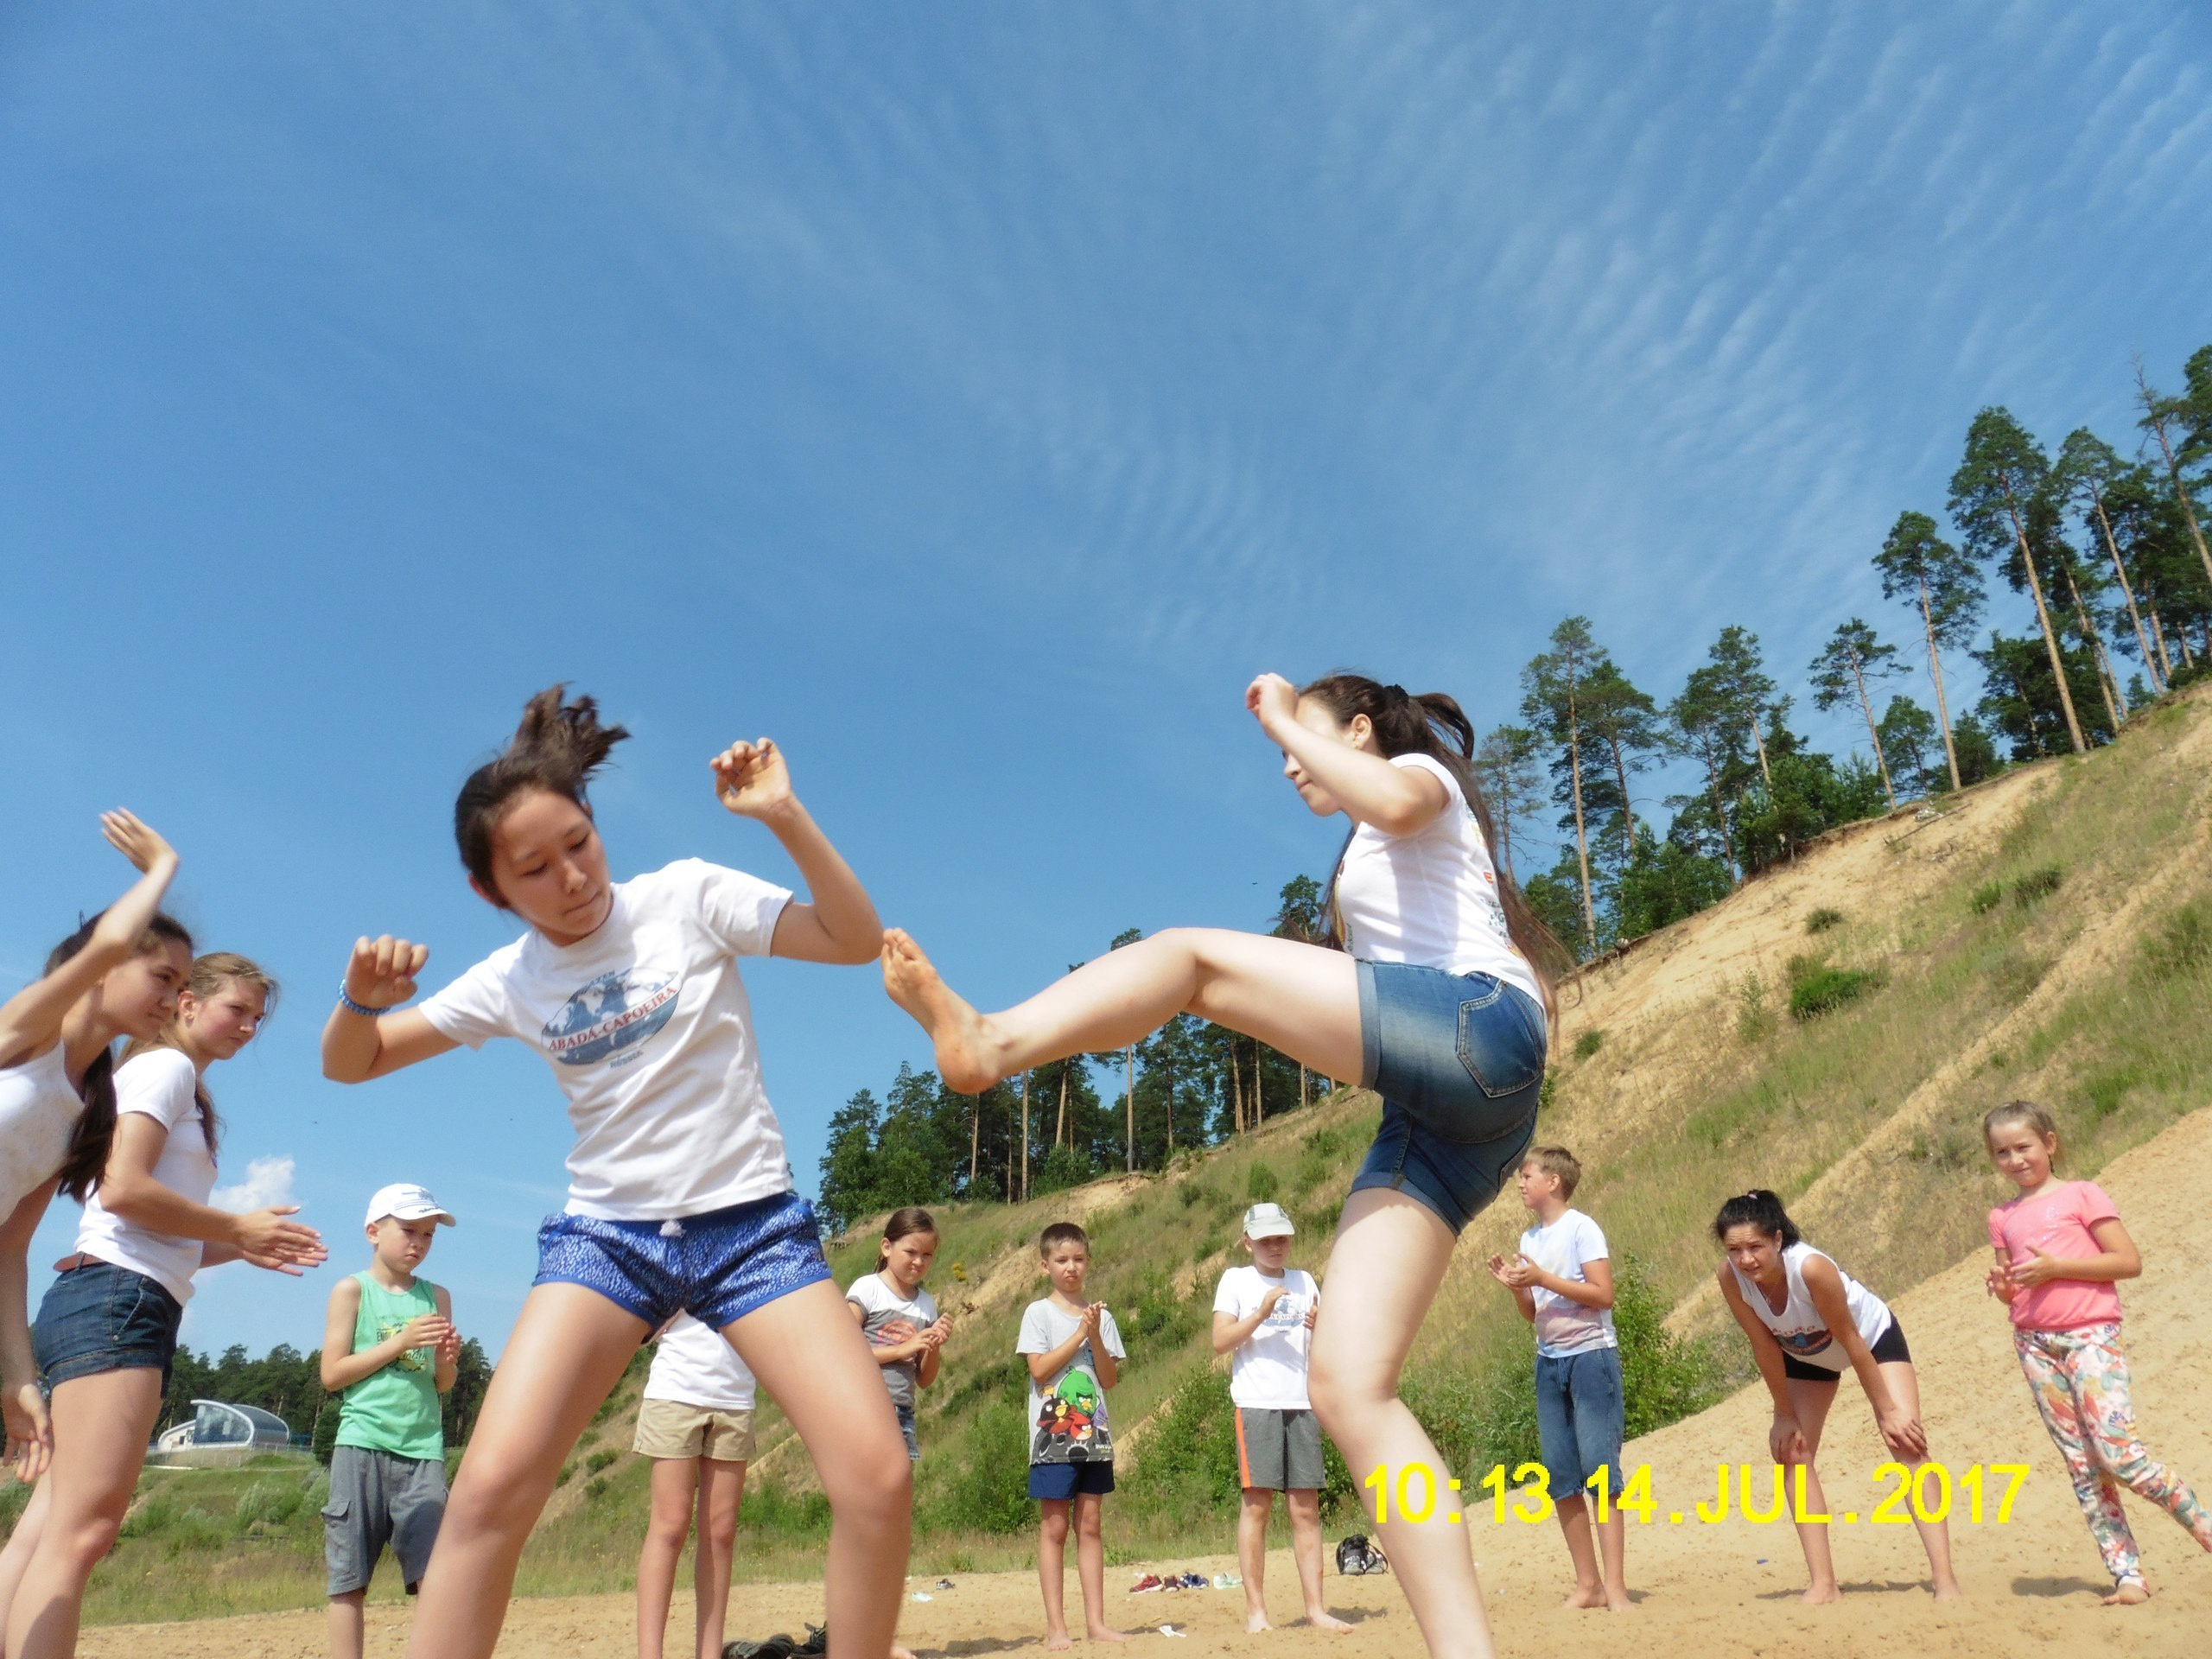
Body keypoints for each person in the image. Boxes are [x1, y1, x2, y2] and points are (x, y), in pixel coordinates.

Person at [884, 672, 1556, 1659]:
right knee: (1348, 1386)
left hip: (1476, 1028)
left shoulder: (1418, 781)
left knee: (1190, 957)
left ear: (1359, 732)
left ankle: (991, 1043)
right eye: (1287, 748)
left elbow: (1396, 802)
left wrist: (1284, 714)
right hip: (1455, 1112)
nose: (1290, 764)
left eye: (1308, 744)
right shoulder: (1369, 856)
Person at [319, 687, 908, 1659]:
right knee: (490, 1495)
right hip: (608, 1242)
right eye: (535, 869)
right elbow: (354, 1061)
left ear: (596, 824)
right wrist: (357, 999)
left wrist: (781, 817)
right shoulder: (508, 979)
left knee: (877, 1478)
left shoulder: (686, 896)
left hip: (752, 1230)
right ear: (491, 891)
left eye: (579, 845)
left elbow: (850, 941)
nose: (572, 878)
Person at [0, 951, 322, 1659]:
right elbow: (121, 1189)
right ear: (186, 1003)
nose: (249, 1025)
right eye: (237, 1009)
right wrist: (237, 1226)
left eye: (257, 1017)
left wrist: (239, 1245)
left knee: (51, 1524)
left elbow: (153, 1228)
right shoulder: (166, 1070)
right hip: (119, 1301)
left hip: (106, 1293)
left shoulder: (173, 1083)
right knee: (81, 1533)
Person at [0, 811, 186, 1484]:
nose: (171, 998)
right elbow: (105, 948)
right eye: (162, 976)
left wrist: (18, 1380)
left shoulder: (88, 1112)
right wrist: (163, 868)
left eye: (181, 987)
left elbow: (10, 1249)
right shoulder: (27, 1034)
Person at [1982, 1100, 2211, 1605]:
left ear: (2050, 1142)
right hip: (2034, 1343)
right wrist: (2002, 1286)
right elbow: (2014, 1290)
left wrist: (2057, 1267)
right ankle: (2126, 1574)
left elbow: (2128, 1261)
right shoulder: (2002, 1216)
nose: (2015, 1160)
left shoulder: (2083, 1195)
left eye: (2024, 1147)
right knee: (2082, 1465)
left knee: (2120, 1456)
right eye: (2002, 1152)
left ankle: (2205, 1528)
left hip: (2091, 1335)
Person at [1712, 1189, 1961, 1605]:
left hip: (1870, 1340)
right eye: (1734, 1249)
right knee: (1793, 1451)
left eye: (1755, 1246)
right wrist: (1783, 1413)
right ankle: (1824, 1584)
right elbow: (1763, 1344)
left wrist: (1886, 1412)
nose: (1745, 1259)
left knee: (1906, 1442)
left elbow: (1851, 1339)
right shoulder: (1730, 1277)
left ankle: (1945, 1578)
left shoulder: (1810, 1268)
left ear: (1777, 1239)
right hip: (1806, 1353)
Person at [321, 1183, 461, 1659]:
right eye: (408, 1230)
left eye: (427, 1235)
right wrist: (399, 1343)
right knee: (349, 1578)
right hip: (360, 1444)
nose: (418, 1243)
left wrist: (448, 1360)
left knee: (434, 1576)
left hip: (423, 1451)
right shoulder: (350, 1290)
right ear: (372, 1232)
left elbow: (442, 1385)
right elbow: (332, 1374)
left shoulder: (437, 1296)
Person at [1485, 1146, 1626, 1613]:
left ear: (1554, 1182)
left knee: (1601, 1473)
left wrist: (1542, 1278)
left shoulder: (1582, 1228)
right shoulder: (1530, 1239)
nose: (1521, 1183)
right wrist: (1517, 1288)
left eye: (1528, 1175)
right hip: (1549, 1361)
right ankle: (1588, 1586)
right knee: (1561, 1474)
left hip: (1591, 1358)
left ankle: (1617, 1589)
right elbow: (1533, 1314)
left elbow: (1603, 1295)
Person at [1210, 1202, 1351, 1636]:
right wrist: (1259, 1314)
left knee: (1305, 1508)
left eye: (1282, 1237)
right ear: (1247, 1240)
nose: (1275, 1246)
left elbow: (1330, 1342)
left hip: (1302, 1402)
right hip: (1257, 1402)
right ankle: (1257, 1611)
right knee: (1257, 1505)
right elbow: (1219, 1341)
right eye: (1266, 1238)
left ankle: (1316, 1609)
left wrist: (1319, 1323)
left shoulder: (1306, 1280)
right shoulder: (1235, 1280)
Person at [1017, 1222, 1125, 1651]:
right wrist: (1079, 1334)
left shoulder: (1103, 1316)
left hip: (1094, 1435)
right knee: (1055, 1528)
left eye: (1078, 1259)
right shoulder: (1037, 1313)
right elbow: (1039, 1369)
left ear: (1088, 1263)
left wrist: (1094, 1334)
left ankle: (1096, 1623)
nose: (1071, 1267)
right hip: (1052, 1438)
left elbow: (1110, 1379)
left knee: (1091, 1525)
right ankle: (1056, 1626)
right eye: (1062, 1260)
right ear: (1046, 1265)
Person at [633, 1313, 757, 1659]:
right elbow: (640, 1315)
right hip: (675, 1391)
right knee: (670, 1526)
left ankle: (710, 1653)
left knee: (721, 1532)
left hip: (735, 1400)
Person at [846, 1206, 950, 1464]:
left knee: (898, 1491)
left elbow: (924, 1379)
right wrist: (900, 1350)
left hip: (903, 1412)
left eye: (927, 1255)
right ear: (886, 1247)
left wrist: (934, 1344)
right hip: (863, 1406)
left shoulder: (926, 1304)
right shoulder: (868, 1288)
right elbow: (843, 1352)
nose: (919, 1261)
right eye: (911, 1252)